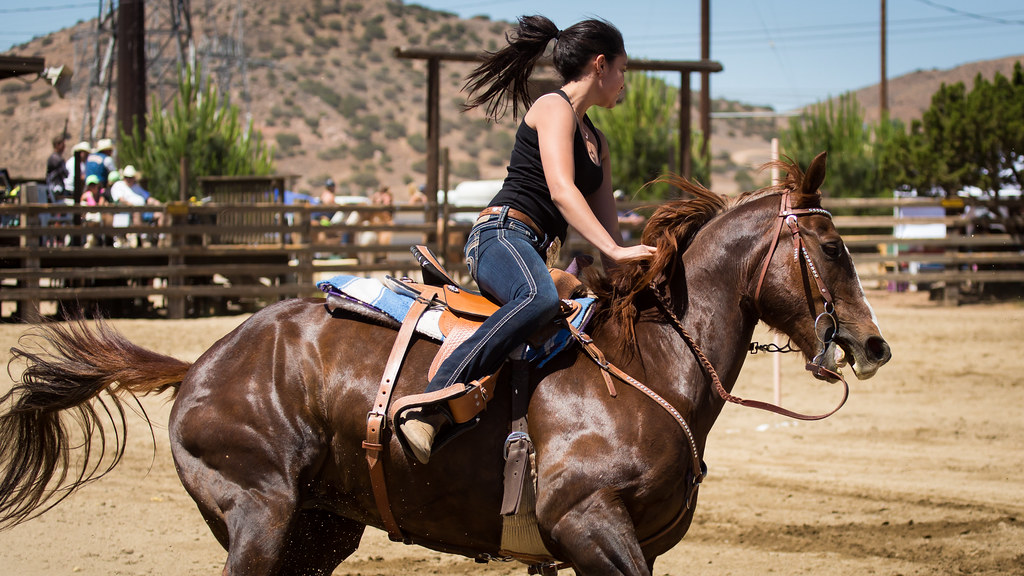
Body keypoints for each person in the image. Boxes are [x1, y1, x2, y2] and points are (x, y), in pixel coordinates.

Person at [397, 15, 656, 464]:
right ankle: (431, 401)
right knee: (537, 298)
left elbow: (610, 234)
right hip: (500, 235)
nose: (624, 82)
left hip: (532, 249)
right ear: (600, 65)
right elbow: (562, 190)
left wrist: (632, 281)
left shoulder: (598, 142)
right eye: (622, 70)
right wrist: (616, 249)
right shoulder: (554, 107)